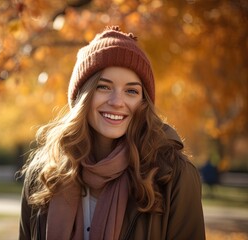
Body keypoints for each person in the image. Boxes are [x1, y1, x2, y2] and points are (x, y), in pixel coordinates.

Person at [19, 26, 205, 240]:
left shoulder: (173, 175)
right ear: (82, 96)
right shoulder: (44, 175)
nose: (117, 102)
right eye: (103, 87)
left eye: (131, 91)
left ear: (144, 102)